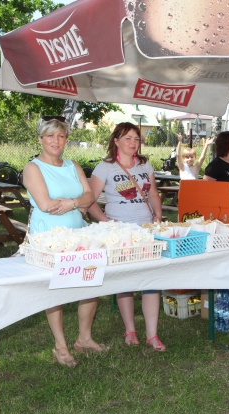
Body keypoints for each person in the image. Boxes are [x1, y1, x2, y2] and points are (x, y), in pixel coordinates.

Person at [22, 115, 105, 368]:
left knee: (90, 283)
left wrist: (73, 203)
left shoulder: (73, 165)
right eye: (50, 136)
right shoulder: (33, 168)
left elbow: (90, 196)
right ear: (40, 139)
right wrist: (76, 203)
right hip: (50, 238)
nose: (56, 141)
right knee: (56, 290)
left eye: (61, 136)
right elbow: (45, 204)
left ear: (66, 139)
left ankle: (84, 338)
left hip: (80, 235)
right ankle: (60, 345)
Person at [87, 122, 166, 351]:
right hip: (120, 234)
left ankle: (152, 334)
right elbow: (89, 200)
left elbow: (153, 193)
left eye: (136, 138)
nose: (133, 143)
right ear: (116, 141)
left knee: (151, 281)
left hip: (146, 230)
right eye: (128, 138)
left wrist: (158, 215)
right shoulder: (105, 167)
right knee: (126, 282)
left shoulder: (144, 164)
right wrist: (104, 220)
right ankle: (130, 330)